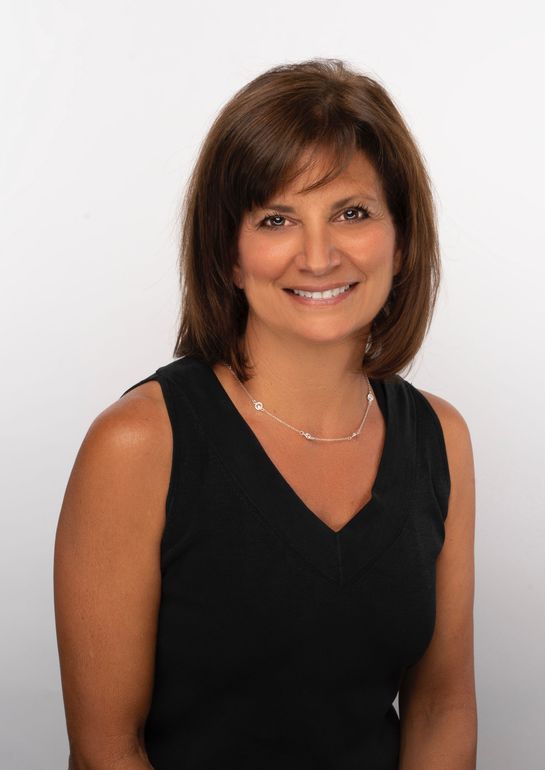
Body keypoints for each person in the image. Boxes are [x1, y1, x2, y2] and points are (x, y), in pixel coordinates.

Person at [54, 58, 477, 769]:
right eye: (276, 218)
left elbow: (441, 707)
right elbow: (105, 751)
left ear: (400, 241)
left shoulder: (440, 438)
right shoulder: (139, 444)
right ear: (228, 252)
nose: (318, 255)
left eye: (351, 212)